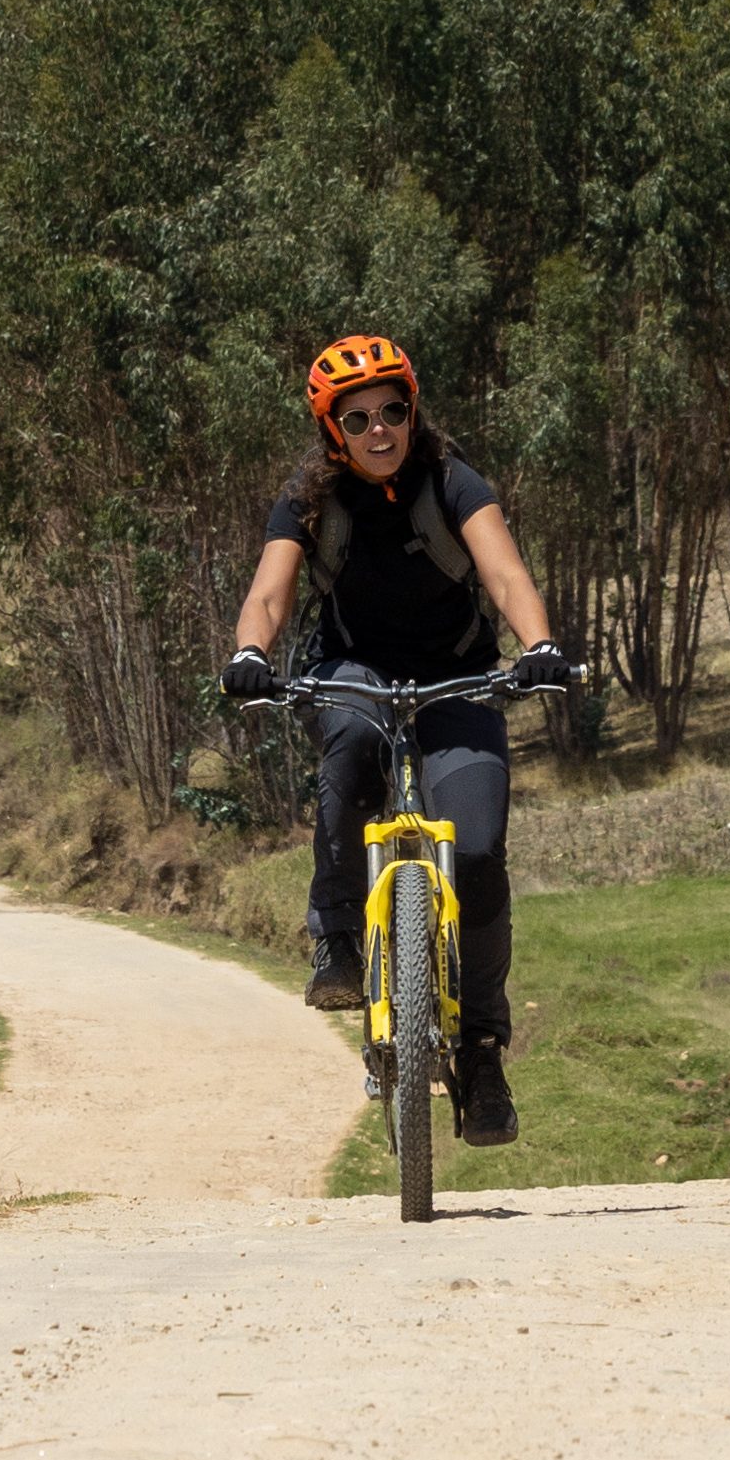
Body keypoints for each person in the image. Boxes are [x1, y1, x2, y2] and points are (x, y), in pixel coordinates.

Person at [218, 332, 578, 1149]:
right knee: (346, 744)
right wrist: (249, 654)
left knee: (478, 850)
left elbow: (506, 574)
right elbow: (268, 596)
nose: (378, 430)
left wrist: (539, 646)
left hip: (459, 680)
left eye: (392, 411)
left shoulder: (452, 481)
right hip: (351, 672)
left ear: (412, 412)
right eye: (357, 419)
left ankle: (481, 1052)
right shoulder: (309, 500)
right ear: (331, 433)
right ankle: (338, 939)